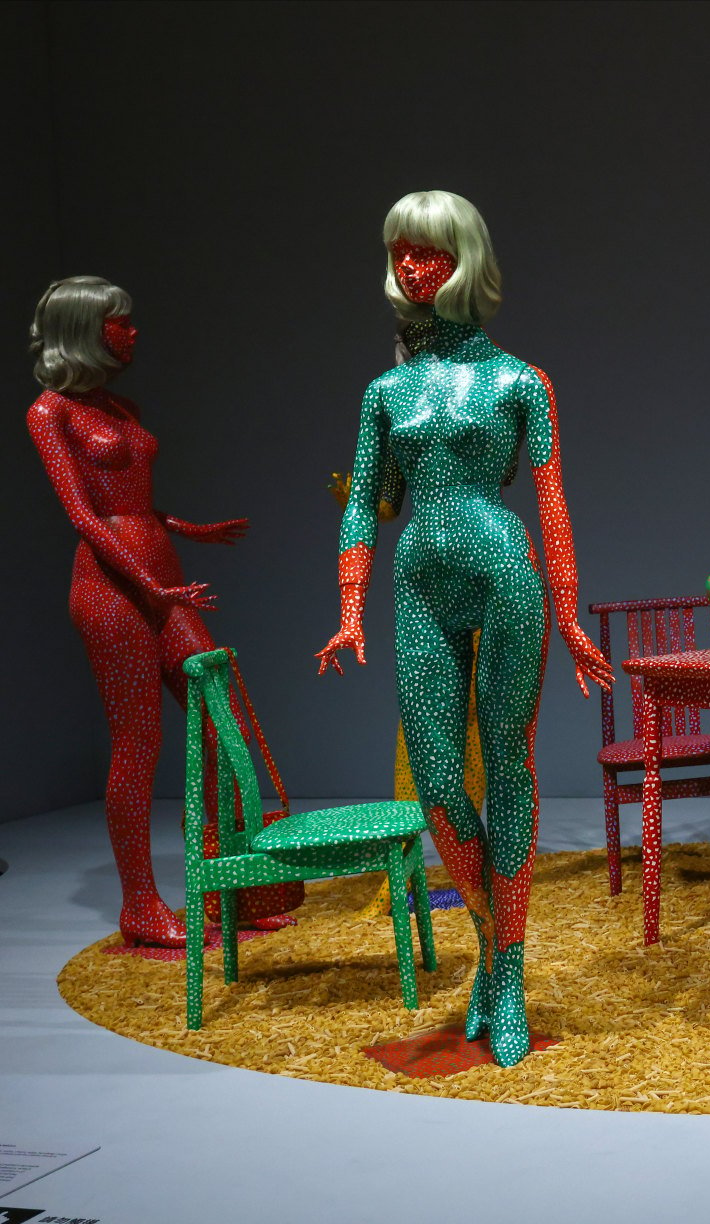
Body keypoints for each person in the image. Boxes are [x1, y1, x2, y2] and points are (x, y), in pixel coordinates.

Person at [316, 190, 614, 1067]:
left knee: (508, 769)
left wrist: (567, 615)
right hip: (419, 584)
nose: (414, 267)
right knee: (442, 784)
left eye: (432, 252)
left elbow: (554, 503)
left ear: (466, 260)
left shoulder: (522, 381)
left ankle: (509, 979)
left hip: (503, 571)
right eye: (403, 251)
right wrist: (346, 611)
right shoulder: (384, 393)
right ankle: (493, 950)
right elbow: (364, 511)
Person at [26, 276, 263, 946]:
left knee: (226, 722)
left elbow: (132, 504)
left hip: (162, 581)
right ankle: (139, 905)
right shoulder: (50, 413)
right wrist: (146, 584)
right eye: (119, 323)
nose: (132, 333)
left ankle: (230, 888)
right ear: (82, 328)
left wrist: (188, 531)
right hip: (110, 589)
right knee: (139, 743)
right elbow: (82, 515)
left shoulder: (119, 406)